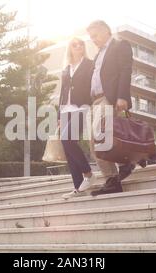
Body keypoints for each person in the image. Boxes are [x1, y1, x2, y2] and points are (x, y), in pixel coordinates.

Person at [86, 20, 135, 196]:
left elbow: (125, 70)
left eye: (95, 35)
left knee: (100, 134)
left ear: (106, 30)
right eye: (91, 37)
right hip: (95, 101)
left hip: (109, 98)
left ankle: (124, 164)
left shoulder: (120, 45)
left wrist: (122, 96)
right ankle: (112, 178)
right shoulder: (98, 55)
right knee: (93, 142)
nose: (93, 39)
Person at [58, 37, 97, 200]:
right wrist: (59, 116)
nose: (79, 46)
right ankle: (78, 187)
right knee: (68, 147)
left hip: (82, 107)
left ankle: (88, 174)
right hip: (66, 110)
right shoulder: (66, 68)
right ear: (70, 48)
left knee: (66, 139)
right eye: (75, 44)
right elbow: (62, 91)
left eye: (81, 44)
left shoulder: (89, 64)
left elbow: (93, 85)